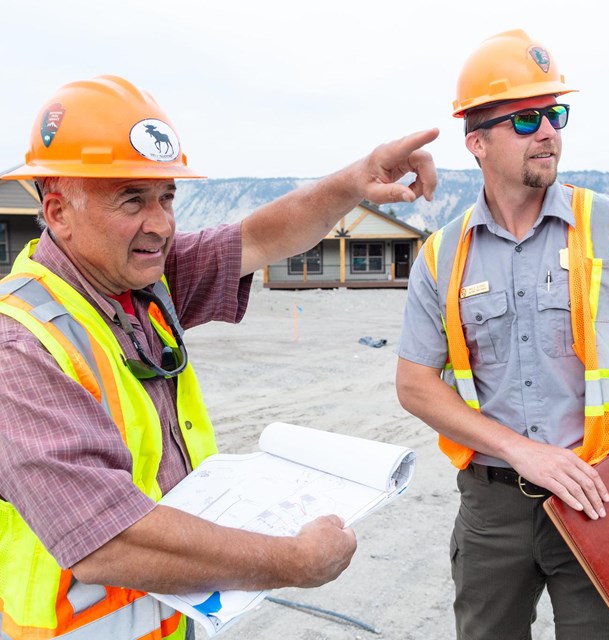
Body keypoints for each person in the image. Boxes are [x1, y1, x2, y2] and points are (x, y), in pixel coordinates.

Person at [0, 74, 438, 640]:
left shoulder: (134, 280)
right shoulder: (21, 346)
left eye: (166, 197)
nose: (159, 224)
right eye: (131, 199)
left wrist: (356, 180)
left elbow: (256, 239)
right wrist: (292, 560)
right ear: (58, 213)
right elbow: (108, 540)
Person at [395, 29, 609, 639]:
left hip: (605, 495)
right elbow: (416, 385)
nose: (549, 131)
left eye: (556, 113)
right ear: (476, 142)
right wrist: (519, 450)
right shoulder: (441, 255)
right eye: (526, 119)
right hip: (491, 508)